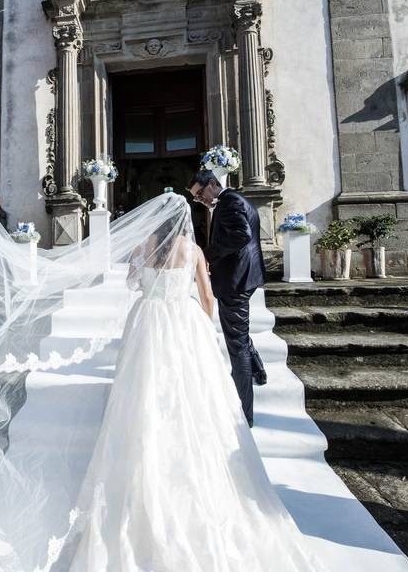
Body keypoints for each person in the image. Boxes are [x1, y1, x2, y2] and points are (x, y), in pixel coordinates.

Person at [56, 196, 325, 570]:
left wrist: (149, 280)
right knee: (191, 390)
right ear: (182, 221)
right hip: (182, 322)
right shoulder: (194, 250)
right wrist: (204, 324)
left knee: (145, 390)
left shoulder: (143, 246)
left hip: (148, 321)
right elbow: (207, 296)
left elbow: (134, 282)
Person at [187, 169, 267, 427]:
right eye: (196, 198)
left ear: (212, 184)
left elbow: (240, 236)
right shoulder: (235, 198)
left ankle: (245, 414)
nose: (200, 200)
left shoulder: (230, 202)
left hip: (235, 281)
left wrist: (206, 255)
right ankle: (259, 370)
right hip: (243, 276)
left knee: (237, 345)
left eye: (200, 194)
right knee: (239, 331)